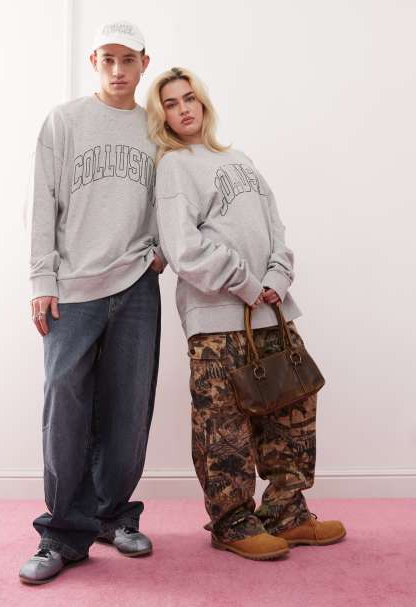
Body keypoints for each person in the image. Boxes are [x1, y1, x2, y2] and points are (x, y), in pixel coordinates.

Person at [147, 66, 346, 561]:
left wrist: (277, 276)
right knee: (224, 428)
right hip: (217, 320)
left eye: (189, 98)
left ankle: (287, 513)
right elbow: (183, 248)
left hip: (272, 313)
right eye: (171, 103)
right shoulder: (174, 167)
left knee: (293, 412)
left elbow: (277, 229)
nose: (183, 109)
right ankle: (232, 522)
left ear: (203, 102)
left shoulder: (239, 159)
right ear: (161, 116)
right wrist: (246, 283)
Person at [20, 21, 166, 585]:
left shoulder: (155, 128)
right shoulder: (64, 121)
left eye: (128, 60)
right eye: (108, 59)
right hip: (72, 289)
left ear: (144, 63)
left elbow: (174, 197)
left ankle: (113, 515)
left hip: (135, 285)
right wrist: (42, 279)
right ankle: (62, 533)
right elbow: (41, 201)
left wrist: (162, 252)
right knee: (65, 407)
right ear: (94, 62)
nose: (118, 70)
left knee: (129, 409)